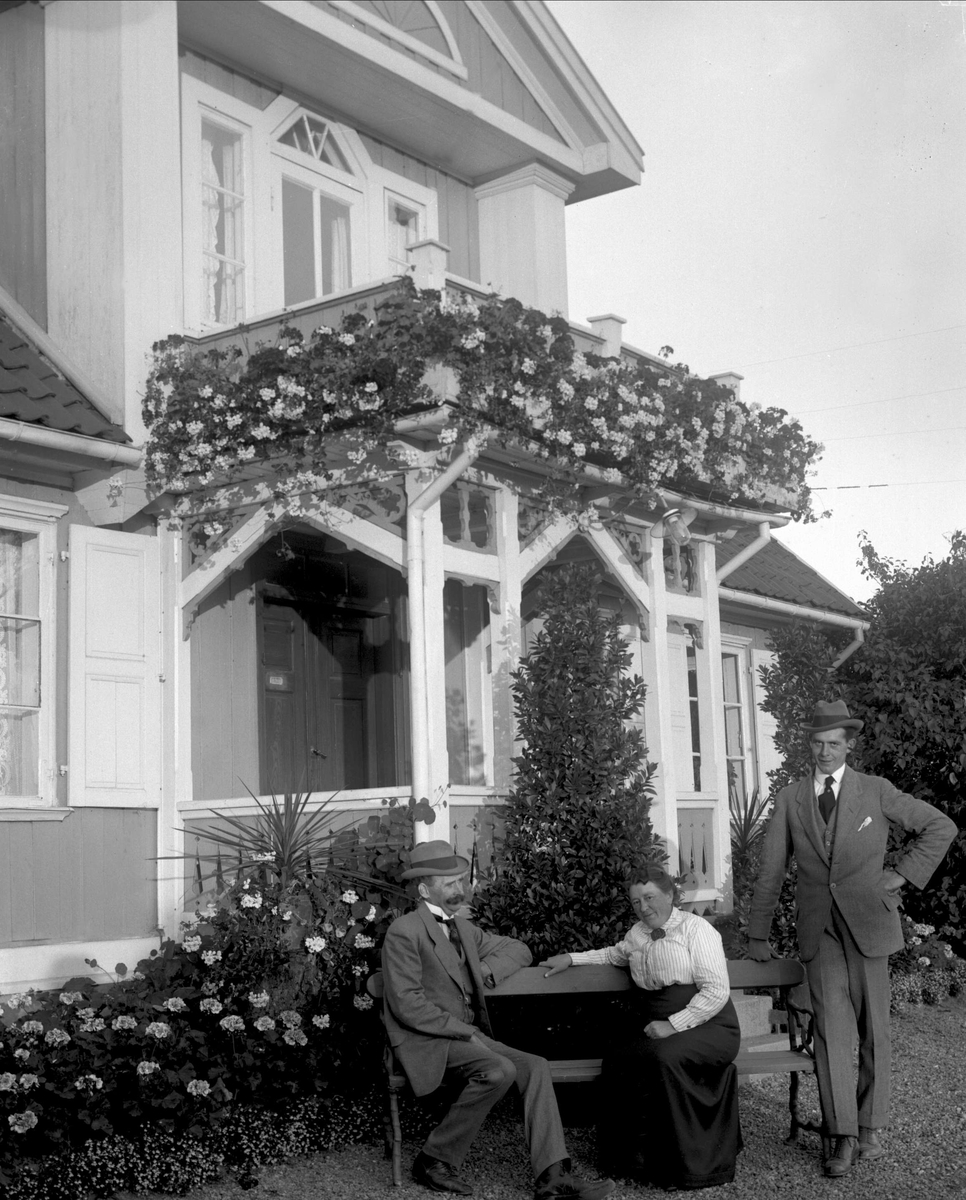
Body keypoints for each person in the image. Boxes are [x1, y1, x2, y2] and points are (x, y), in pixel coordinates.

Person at [747, 698, 957, 1178]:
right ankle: (840, 1137)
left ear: (850, 745)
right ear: (811, 745)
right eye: (818, 744)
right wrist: (758, 931)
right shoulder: (789, 798)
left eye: (834, 745)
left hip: (869, 924)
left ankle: (870, 1128)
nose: (825, 753)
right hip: (819, 930)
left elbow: (939, 826)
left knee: (873, 1031)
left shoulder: (876, 791)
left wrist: (901, 875)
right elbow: (771, 870)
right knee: (831, 1032)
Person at [381, 839, 616, 1199]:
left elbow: (519, 949)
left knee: (534, 1066)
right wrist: (464, 1032)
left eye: (461, 881)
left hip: (465, 1037)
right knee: (499, 1070)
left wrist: (486, 969)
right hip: (427, 1040)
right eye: (450, 884)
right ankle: (433, 1159)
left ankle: (554, 1177)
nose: (460, 890)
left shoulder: (462, 929)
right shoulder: (405, 931)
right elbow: (407, 1005)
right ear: (426, 889)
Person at [541, 864, 742, 1191]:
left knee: (663, 1058)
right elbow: (613, 954)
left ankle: (686, 1167)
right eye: (636, 901)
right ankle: (632, 1162)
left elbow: (717, 992)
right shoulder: (636, 934)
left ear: (670, 895)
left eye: (650, 897)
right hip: (660, 1027)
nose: (643, 907)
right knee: (618, 1058)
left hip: (710, 1024)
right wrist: (571, 959)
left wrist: (673, 1025)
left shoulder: (696, 929)